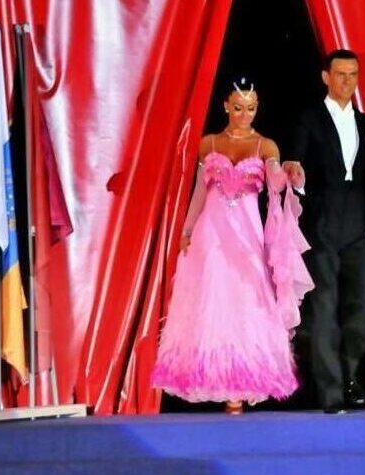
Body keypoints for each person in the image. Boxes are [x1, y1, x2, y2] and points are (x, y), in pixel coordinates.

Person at [151, 77, 312, 415]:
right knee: (213, 300)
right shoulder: (208, 143)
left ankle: (241, 383)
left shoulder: (264, 145)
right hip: (211, 234)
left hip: (247, 238)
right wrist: (187, 230)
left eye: (250, 109)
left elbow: (275, 179)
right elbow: (199, 191)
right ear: (226, 106)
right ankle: (219, 381)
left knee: (247, 300)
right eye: (238, 108)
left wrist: (288, 170)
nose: (244, 115)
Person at [293, 49, 365, 414]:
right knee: (325, 306)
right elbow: (295, 162)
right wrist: (295, 177)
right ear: (326, 77)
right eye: (341, 74)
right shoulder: (310, 119)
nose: (348, 81)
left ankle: (348, 371)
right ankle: (331, 394)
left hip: (357, 224)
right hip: (322, 222)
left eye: (353, 75)